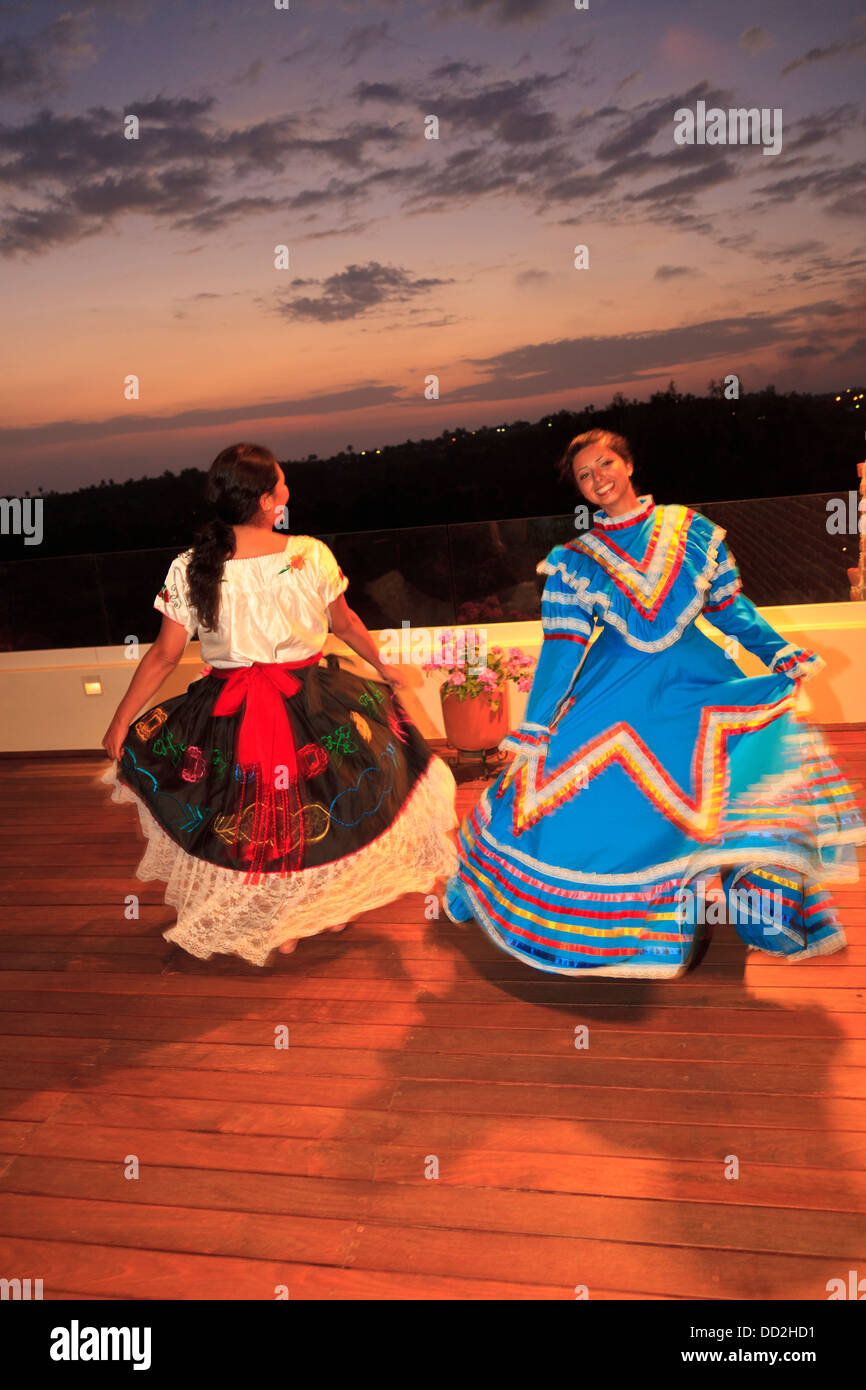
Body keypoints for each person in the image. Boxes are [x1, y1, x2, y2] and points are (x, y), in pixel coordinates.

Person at [444, 429, 864, 977]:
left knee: (732, 795)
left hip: (700, 684)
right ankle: (626, 933)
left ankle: (767, 921)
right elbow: (562, 648)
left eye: (606, 464)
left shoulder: (688, 530)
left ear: (629, 463)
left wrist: (779, 654)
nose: (599, 479)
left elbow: (728, 608)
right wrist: (537, 723)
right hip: (617, 688)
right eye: (585, 476)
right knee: (572, 790)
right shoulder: (575, 558)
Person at [101, 442, 458, 966]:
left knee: (254, 821)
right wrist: (382, 667)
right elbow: (346, 623)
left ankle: (292, 917)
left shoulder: (189, 565)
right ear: (268, 500)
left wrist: (120, 722)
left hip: (227, 712)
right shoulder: (309, 554)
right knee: (321, 811)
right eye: (283, 484)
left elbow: (162, 655)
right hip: (309, 702)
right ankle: (299, 914)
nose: (289, 491)